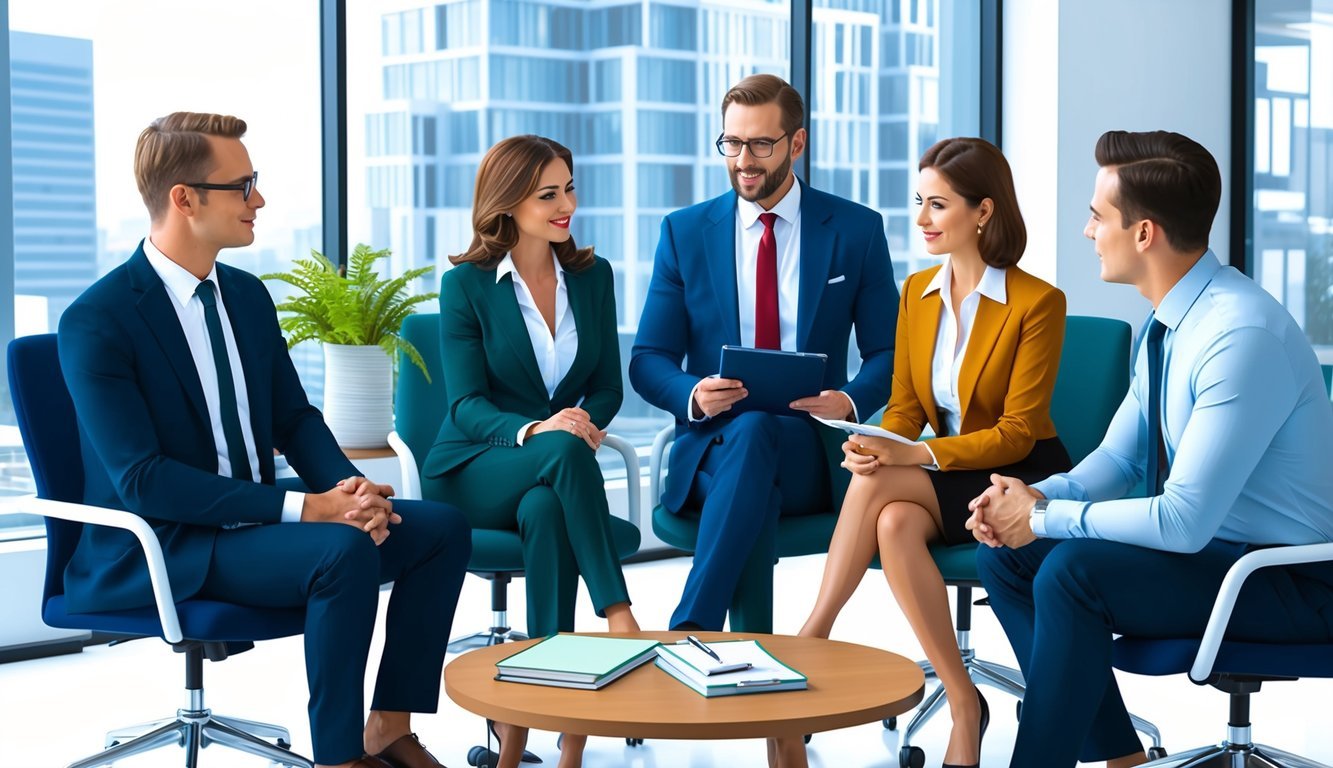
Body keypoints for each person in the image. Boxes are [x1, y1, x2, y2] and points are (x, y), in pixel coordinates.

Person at [57, 112, 470, 768]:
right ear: (184, 199)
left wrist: (346, 487)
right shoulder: (99, 320)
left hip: (251, 526)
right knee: (339, 550)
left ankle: (386, 728)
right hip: (167, 543)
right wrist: (309, 508)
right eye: (242, 185)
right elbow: (144, 480)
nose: (259, 200)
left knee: (439, 529)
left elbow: (294, 418)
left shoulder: (246, 297)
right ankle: (339, 758)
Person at [967, 130, 1333, 768]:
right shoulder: (1166, 325)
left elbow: (1183, 521)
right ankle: (1118, 756)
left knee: (1072, 569)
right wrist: (1029, 500)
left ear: (1144, 234)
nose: (1087, 232)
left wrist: (1045, 520)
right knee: (1009, 559)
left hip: (1288, 577)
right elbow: (1122, 461)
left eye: (1096, 216)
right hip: (1220, 555)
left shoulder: (1238, 334)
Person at [784, 137, 1068, 768]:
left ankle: (810, 641)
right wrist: (875, 442)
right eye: (920, 202)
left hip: (1014, 473)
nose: (921, 220)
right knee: (891, 518)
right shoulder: (918, 292)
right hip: (933, 473)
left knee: (882, 489)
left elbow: (1019, 431)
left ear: (984, 212)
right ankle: (964, 702)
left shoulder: (1037, 302)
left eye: (938, 205)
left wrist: (913, 457)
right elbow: (907, 405)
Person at [629, 74, 899, 645]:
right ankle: (755, 682)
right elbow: (649, 358)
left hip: (811, 452)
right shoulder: (684, 233)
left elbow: (889, 353)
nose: (743, 161)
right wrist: (693, 394)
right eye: (731, 143)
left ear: (796, 144)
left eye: (760, 145)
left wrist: (848, 398)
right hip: (710, 454)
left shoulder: (855, 230)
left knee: (757, 439)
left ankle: (690, 635)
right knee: (749, 438)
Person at [421, 134, 638, 768]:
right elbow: (464, 405)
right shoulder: (467, 285)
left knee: (548, 509)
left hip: (547, 476)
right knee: (563, 458)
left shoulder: (592, 277)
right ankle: (619, 614)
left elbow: (605, 386)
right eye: (548, 194)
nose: (566, 204)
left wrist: (581, 421)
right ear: (509, 201)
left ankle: (546, 730)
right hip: (472, 467)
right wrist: (538, 430)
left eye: (569, 188)